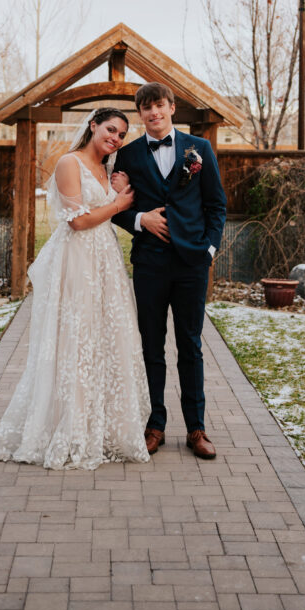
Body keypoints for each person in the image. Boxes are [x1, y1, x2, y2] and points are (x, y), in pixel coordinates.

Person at [0, 107, 151, 470]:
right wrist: (118, 204)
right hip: (78, 260)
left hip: (105, 260)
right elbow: (78, 221)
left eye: (121, 135)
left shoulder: (107, 168)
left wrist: (118, 191)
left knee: (105, 337)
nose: (115, 138)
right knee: (76, 338)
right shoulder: (69, 162)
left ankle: (102, 426)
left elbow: (108, 205)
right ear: (93, 126)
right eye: (110, 129)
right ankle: (70, 426)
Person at [112, 82, 227, 460]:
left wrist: (209, 249)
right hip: (150, 265)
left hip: (192, 264)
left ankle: (196, 428)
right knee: (151, 346)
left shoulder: (199, 150)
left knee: (190, 346)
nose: (154, 113)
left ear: (171, 107)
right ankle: (154, 425)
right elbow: (116, 206)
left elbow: (216, 205)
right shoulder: (128, 154)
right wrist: (140, 220)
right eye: (146, 108)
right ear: (140, 114)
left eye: (159, 105)